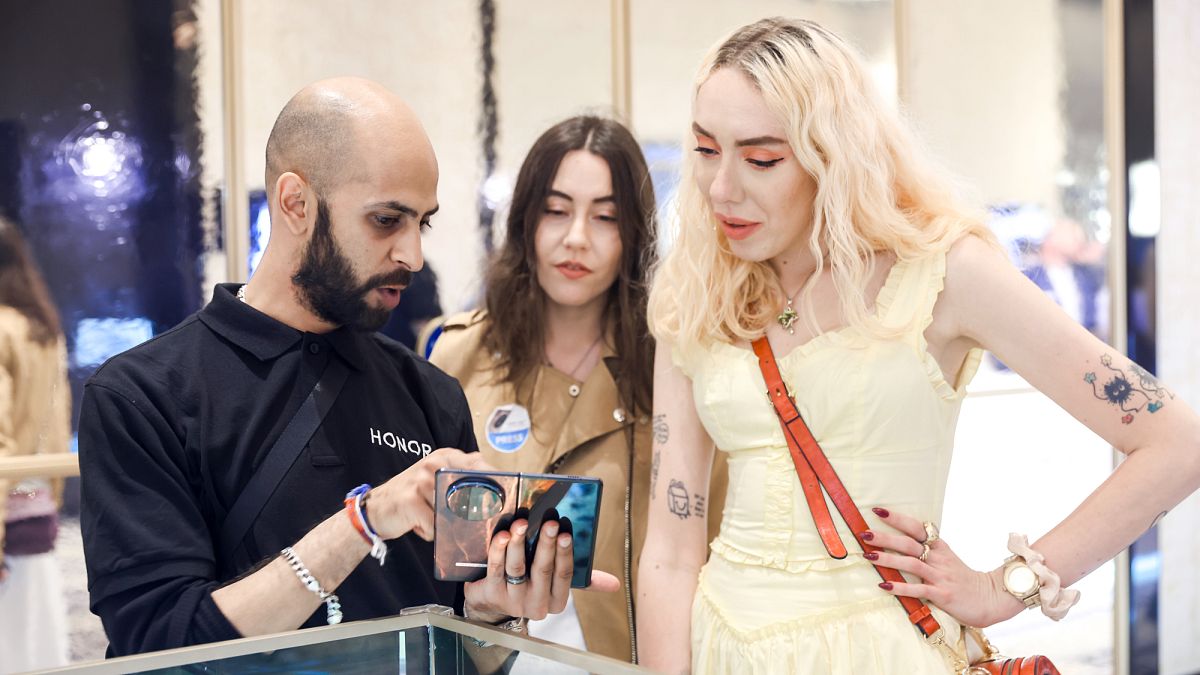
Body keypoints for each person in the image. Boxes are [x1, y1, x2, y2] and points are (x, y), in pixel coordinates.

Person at [636, 17, 1200, 674]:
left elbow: (1177, 443)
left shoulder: (944, 273)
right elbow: (670, 552)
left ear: (832, 155)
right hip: (722, 649)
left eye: (761, 159)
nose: (720, 188)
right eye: (706, 150)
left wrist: (1004, 587)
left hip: (881, 652)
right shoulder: (695, 290)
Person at [79, 77, 613, 658]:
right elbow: (159, 644)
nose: (412, 255)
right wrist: (364, 522)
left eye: (422, 223)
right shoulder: (142, 396)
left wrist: (493, 610)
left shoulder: (429, 393)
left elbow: (461, 645)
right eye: (386, 220)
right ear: (296, 204)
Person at [430, 115, 728, 663]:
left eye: (605, 217)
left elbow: (712, 548)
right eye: (556, 210)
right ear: (526, 220)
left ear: (634, 234)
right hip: (485, 657)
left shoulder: (676, 365)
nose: (576, 238)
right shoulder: (458, 355)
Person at [0, 219, 72, 673]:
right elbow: (58, 420)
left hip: (6, 515)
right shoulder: (41, 327)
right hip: (39, 503)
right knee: (37, 640)